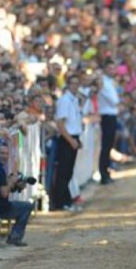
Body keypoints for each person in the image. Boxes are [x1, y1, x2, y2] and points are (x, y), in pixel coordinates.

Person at [54, 74, 83, 211]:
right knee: (64, 172)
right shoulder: (65, 100)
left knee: (68, 172)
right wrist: (71, 140)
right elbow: (60, 122)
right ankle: (61, 202)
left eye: (77, 83)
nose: (75, 86)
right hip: (67, 139)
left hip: (73, 137)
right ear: (68, 84)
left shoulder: (74, 100)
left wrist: (77, 139)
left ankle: (66, 200)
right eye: (73, 83)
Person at [0, 141, 34, 247]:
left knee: (25, 205)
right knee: (27, 206)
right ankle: (15, 237)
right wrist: (11, 182)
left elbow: (8, 189)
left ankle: (15, 236)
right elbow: (4, 193)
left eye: (6, 154)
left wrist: (18, 185)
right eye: (1, 153)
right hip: (2, 208)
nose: (4, 156)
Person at [97, 59, 120, 185]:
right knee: (106, 146)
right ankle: (103, 174)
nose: (112, 71)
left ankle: (106, 171)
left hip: (112, 115)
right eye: (110, 68)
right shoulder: (103, 83)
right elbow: (114, 101)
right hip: (107, 116)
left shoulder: (110, 82)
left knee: (109, 145)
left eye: (113, 68)